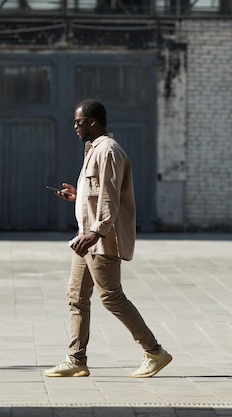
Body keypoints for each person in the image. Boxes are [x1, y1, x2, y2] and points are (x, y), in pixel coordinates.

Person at [44, 99, 172, 378]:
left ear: (92, 121)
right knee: (76, 297)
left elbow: (111, 198)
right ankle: (76, 359)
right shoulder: (93, 150)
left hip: (101, 239)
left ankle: (154, 351)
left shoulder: (109, 152)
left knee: (112, 297)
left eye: (78, 122)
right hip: (87, 238)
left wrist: (96, 232)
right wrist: (77, 199)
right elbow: (98, 195)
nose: (75, 127)